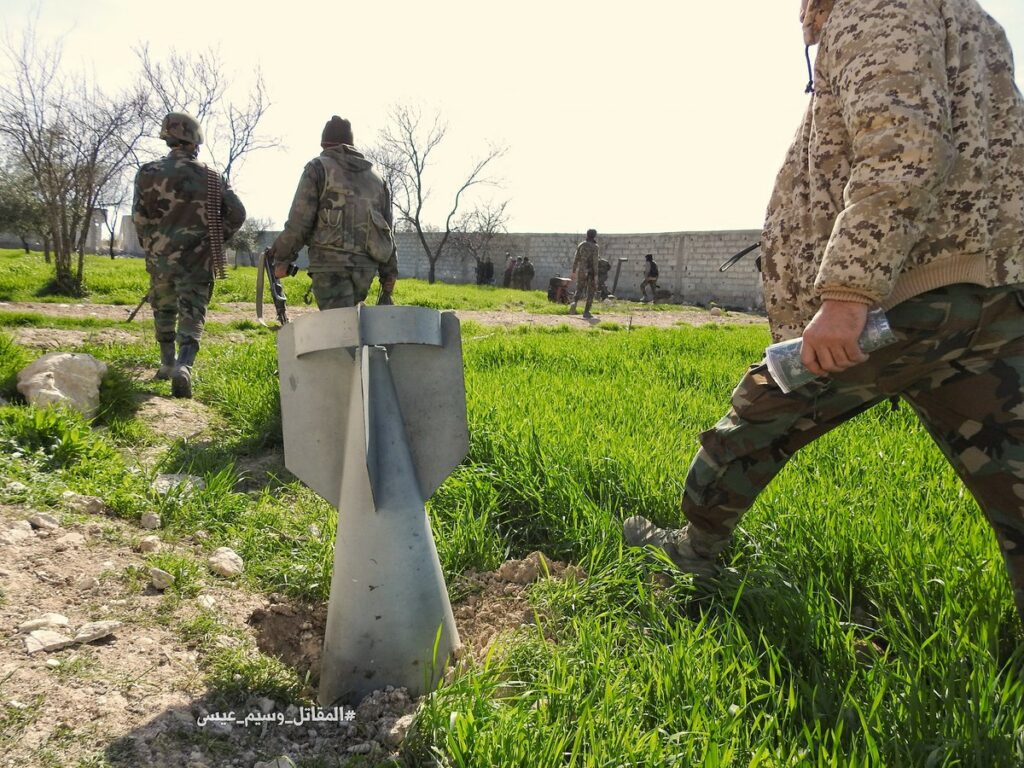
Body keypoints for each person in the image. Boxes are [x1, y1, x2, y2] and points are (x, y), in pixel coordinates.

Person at [624, 0, 1024, 622]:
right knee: (1014, 478)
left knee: (755, 421)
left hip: (904, 300)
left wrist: (847, 295)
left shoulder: (876, 5)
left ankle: (693, 554)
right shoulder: (967, 16)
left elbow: (905, 147)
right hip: (990, 295)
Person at [132, 112, 246, 398]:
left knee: (164, 309)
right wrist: (214, 238)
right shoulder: (211, 176)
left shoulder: (147, 172)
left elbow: (139, 218)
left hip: (160, 259)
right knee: (193, 313)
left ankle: (166, 364)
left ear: (168, 138)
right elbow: (237, 213)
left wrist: (152, 246)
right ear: (195, 140)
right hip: (198, 261)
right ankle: (184, 367)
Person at [267, 116, 397, 309]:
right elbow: (388, 233)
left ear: (324, 144)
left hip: (329, 267)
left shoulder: (318, 168)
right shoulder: (376, 179)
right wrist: (389, 277)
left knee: (339, 325)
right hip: (365, 270)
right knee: (349, 320)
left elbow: (299, 222)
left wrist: (281, 257)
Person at [570, 229, 599, 318]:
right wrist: (596, 275)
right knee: (591, 291)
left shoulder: (581, 245)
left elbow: (576, 258)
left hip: (581, 270)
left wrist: (574, 271)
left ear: (587, 235)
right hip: (591, 272)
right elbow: (595, 262)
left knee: (579, 288)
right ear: (594, 236)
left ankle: (574, 302)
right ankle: (586, 312)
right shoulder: (595, 247)